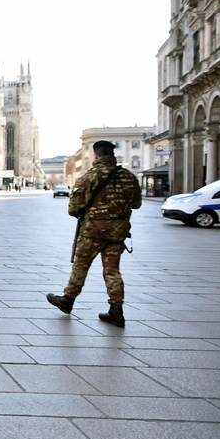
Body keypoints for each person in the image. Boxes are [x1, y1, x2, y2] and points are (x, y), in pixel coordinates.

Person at [46, 140, 142, 327]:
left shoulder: (89, 177)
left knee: (80, 266)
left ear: (96, 155)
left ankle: (68, 300)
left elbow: (73, 208)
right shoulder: (128, 177)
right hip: (117, 233)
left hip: (92, 232)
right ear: (112, 154)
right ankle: (116, 310)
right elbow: (136, 204)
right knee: (112, 271)